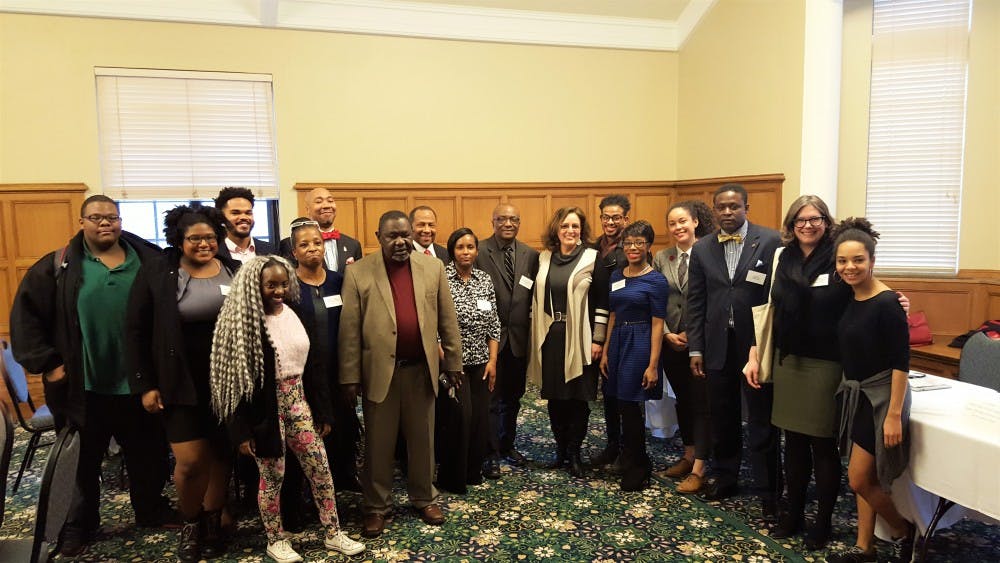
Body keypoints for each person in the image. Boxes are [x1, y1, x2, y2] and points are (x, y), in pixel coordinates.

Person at [10, 195, 174, 556]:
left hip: (138, 383)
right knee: (81, 462)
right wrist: (49, 364)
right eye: (96, 217)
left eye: (112, 217)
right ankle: (79, 523)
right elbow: (26, 317)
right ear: (81, 221)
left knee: (147, 454)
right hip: (82, 387)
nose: (105, 224)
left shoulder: (147, 261)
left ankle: (150, 508)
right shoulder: (59, 264)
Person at [209, 256, 365, 563]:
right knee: (273, 477)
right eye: (271, 285)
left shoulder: (295, 313)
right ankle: (275, 539)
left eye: (283, 283)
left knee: (320, 468)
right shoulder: (244, 323)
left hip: (298, 400)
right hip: (264, 412)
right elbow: (232, 387)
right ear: (255, 286)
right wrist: (240, 432)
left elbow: (315, 366)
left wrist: (322, 413)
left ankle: (333, 533)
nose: (279, 290)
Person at [338, 210, 463, 538]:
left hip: (421, 370)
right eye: (392, 236)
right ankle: (376, 507)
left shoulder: (433, 268)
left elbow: (448, 320)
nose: (401, 242)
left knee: (423, 439)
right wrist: (349, 377)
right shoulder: (359, 273)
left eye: (405, 235)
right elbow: (349, 331)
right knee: (379, 444)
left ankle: (424, 497)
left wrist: (453, 362)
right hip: (380, 373)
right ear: (378, 237)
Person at [127, 204, 237, 561]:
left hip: (227, 381)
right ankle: (189, 523)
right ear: (179, 239)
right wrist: (145, 383)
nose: (203, 244)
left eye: (209, 237)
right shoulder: (158, 273)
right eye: (194, 238)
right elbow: (136, 330)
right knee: (190, 461)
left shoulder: (233, 270)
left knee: (221, 456)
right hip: (178, 381)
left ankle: (212, 521)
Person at [685, 183, 783, 518]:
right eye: (721, 207)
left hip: (756, 346)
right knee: (722, 416)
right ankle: (726, 476)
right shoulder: (702, 249)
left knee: (761, 419)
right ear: (713, 210)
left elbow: (776, 297)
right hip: (716, 346)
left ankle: (769, 489)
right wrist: (695, 347)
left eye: (734, 206)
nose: (727, 212)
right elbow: (695, 302)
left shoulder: (770, 241)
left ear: (746, 207)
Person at [825, 218, 914, 563]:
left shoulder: (887, 303)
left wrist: (893, 415)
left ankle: (904, 530)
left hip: (882, 399)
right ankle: (865, 547)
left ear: (872, 261)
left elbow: (900, 362)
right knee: (865, 477)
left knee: (860, 478)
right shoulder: (850, 296)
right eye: (843, 261)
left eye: (858, 260)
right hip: (857, 394)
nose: (850, 267)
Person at [528, 206, 608, 478]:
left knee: (577, 398)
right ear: (556, 230)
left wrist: (598, 339)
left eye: (575, 226)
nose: (570, 231)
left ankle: (575, 453)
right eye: (565, 226)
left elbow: (601, 303)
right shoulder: (543, 258)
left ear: (581, 230)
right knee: (555, 398)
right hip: (551, 337)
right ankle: (560, 451)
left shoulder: (592, 258)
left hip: (582, 338)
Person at [289, 218, 360, 493]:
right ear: (294, 252)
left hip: (338, 368)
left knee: (344, 427)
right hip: (302, 373)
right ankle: (307, 488)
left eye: (317, 243)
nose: (312, 249)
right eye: (304, 245)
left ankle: (344, 476)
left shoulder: (338, 281)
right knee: (308, 431)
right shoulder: (288, 285)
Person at [651, 200, 715, 495]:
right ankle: (689, 455)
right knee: (683, 401)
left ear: (695, 223)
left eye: (682, 222)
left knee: (702, 403)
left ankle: (701, 467)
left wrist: (693, 334)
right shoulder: (663, 258)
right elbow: (654, 299)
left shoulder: (709, 253)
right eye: (672, 223)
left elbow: (715, 299)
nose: (678, 228)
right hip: (669, 342)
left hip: (700, 342)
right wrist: (665, 333)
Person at [599, 221, 667, 491]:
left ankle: (639, 465)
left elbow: (658, 323)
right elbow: (613, 314)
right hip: (617, 342)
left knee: (631, 406)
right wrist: (604, 351)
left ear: (649, 246)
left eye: (639, 243)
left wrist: (652, 365)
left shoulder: (656, 280)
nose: (633, 248)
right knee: (617, 402)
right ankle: (629, 456)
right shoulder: (617, 276)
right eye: (628, 243)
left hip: (640, 343)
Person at [474, 203, 540, 476]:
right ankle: (489, 454)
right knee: (490, 399)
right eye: (502, 219)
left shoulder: (530, 254)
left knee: (514, 397)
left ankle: (507, 444)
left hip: (519, 340)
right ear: (493, 221)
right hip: (489, 339)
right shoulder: (479, 250)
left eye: (514, 219)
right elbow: (476, 294)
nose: (508, 224)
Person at [436, 228, 501, 493]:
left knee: (478, 420)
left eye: (470, 247)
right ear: (452, 250)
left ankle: (473, 473)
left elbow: (493, 323)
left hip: (482, 363)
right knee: (458, 420)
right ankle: (452, 478)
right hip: (454, 365)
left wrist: (493, 360)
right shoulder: (442, 279)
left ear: (477, 250)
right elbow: (434, 329)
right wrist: (448, 363)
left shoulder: (484, 279)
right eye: (460, 247)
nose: (466, 252)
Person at [589, 195, 630, 470]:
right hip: (595, 323)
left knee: (622, 394)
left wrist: (603, 337)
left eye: (616, 217)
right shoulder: (594, 248)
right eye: (606, 217)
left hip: (621, 327)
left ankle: (626, 451)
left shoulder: (631, 248)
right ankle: (612, 445)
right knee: (608, 392)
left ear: (626, 218)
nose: (611, 222)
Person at [279, 188, 362, 272]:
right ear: (308, 209)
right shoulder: (288, 245)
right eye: (318, 202)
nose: (326, 206)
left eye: (330, 201)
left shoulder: (353, 245)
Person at [214, 186, 276, 263]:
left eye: (248, 213)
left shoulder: (270, 250)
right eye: (235, 213)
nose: (244, 217)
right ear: (221, 217)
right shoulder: (215, 253)